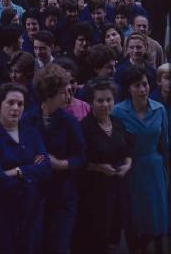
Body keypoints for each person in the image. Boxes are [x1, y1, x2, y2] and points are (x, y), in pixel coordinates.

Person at [0, 82, 51, 254]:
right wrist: (31, 169)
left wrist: (18, 171)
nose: (15, 108)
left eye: (20, 104)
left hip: (31, 210)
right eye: (10, 103)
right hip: (1, 214)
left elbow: (46, 168)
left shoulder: (31, 132)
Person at [113, 68, 169, 254]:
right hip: (131, 169)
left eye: (145, 84)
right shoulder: (118, 111)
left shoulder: (159, 109)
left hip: (154, 167)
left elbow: (165, 144)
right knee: (133, 217)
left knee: (156, 215)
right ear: (129, 89)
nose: (143, 89)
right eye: (137, 85)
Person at [32, 63, 86, 254]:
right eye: (63, 92)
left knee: (59, 246)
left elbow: (81, 156)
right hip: (36, 195)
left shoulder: (69, 121)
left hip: (63, 195)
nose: (68, 95)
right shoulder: (29, 118)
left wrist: (62, 164)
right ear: (49, 94)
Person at [74, 78, 132, 254]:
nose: (105, 104)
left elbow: (126, 149)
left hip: (116, 188)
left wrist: (128, 164)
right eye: (100, 100)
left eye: (109, 100)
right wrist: (99, 168)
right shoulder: (83, 127)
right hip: (93, 193)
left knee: (114, 237)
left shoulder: (117, 122)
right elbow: (78, 161)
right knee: (95, 240)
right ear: (91, 102)